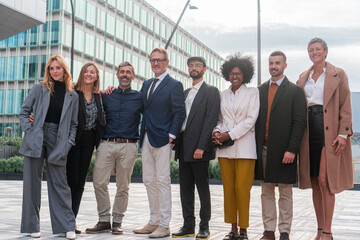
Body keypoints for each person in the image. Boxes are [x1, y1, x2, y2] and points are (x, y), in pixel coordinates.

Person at [297, 38, 353, 240]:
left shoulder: (339, 74)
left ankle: (328, 231)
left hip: (328, 128)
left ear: (326, 51)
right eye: (310, 50)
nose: (314, 53)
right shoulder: (303, 77)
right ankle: (319, 230)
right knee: (313, 181)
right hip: (308, 130)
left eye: (317, 49)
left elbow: (346, 105)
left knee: (324, 179)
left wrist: (343, 133)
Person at [19, 54, 78, 239]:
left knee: (60, 184)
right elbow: (24, 111)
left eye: (58, 68)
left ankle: (67, 226)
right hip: (36, 135)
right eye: (51, 68)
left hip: (59, 138)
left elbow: (74, 124)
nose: (54, 72)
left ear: (64, 70)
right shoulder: (39, 88)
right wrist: (30, 130)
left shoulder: (73, 95)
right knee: (31, 183)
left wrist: (69, 143)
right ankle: (31, 226)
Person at [133, 48, 186, 238]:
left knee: (162, 180)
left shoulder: (174, 85)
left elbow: (179, 112)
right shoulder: (147, 84)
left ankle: (165, 224)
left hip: (163, 138)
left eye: (159, 60)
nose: (155, 63)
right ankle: (153, 221)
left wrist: (172, 134)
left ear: (167, 62)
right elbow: (141, 107)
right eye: (152, 60)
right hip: (146, 136)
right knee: (148, 180)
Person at [85, 61, 143, 235]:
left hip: (129, 146)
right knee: (99, 182)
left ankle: (117, 221)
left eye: (128, 72)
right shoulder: (106, 95)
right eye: (122, 72)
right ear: (117, 75)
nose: (125, 75)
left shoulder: (140, 97)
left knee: (123, 186)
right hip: (106, 144)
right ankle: (104, 220)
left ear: (133, 76)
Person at [255, 51, 307, 240]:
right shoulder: (259, 90)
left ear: (285, 65)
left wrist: (292, 149)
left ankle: (285, 231)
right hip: (263, 149)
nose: (273, 66)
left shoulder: (295, 91)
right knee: (266, 191)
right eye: (271, 63)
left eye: (277, 63)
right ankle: (269, 231)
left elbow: (300, 122)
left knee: (285, 192)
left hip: (285, 151)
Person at [172, 56, 220, 240]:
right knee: (185, 188)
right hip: (183, 144)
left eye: (197, 65)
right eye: (191, 65)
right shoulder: (185, 92)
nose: (194, 68)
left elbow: (210, 120)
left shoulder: (211, 91)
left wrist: (202, 146)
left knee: (202, 188)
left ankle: (204, 227)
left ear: (204, 69)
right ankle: (188, 226)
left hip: (200, 146)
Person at [212, 54, 259, 240]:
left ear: (245, 74)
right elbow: (220, 119)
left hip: (246, 149)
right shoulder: (222, 95)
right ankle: (232, 228)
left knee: (242, 189)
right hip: (225, 150)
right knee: (229, 189)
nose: (234, 77)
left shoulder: (252, 93)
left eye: (238, 74)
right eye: (231, 73)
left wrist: (229, 135)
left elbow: (250, 120)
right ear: (227, 74)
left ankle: (244, 229)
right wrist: (216, 132)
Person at [66, 62, 105, 234]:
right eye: (86, 72)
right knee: (71, 181)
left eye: (92, 72)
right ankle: (65, 219)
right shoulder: (73, 91)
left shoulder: (98, 96)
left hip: (89, 142)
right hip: (73, 141)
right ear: (82, 74)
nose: (89, 75)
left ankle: (72, 220)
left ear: (96, 76)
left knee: (81, 182)